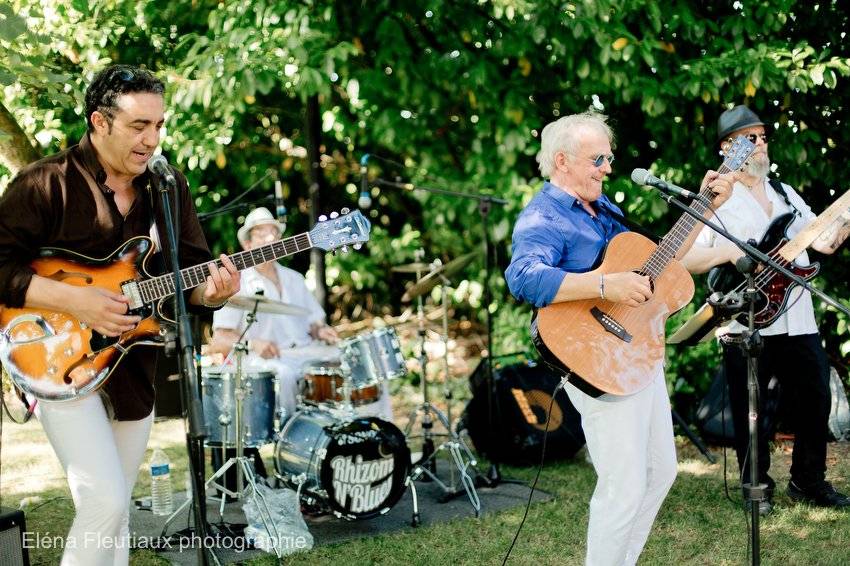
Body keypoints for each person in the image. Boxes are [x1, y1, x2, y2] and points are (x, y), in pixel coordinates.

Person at [0, 64, 240, 565]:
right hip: (56, 358)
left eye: (158, 126)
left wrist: (211, 296)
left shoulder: (168, 186)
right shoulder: (45, 183)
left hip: (134, 363)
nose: (152, 139)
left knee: (118, 513)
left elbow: (188, 274)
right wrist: (75, 300)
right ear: (99, 123)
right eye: (138, 126)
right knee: (103, 501)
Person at [505, 111, 734, 566]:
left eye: (609, 157)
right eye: (598, 159)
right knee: (623, 484)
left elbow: (657, 262)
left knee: (661, 472)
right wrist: (605, 286)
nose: (608, 167)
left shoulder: (604, 209)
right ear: (562, 161)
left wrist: (707, 207)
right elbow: (523, 277)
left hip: (636, 352)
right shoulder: (545, 215)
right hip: (594, 357)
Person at [680, 104, 850, 514]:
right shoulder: (714, 199)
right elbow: (687, 259)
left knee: (814, 400)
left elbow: (822, 242)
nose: (760, 145)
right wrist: (734, 251)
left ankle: (808, 482)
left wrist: (844, 220)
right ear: (727, 148)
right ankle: (755, 487)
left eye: (762, 137)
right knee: (751, 412)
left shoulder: (785, 194)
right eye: (749, 139)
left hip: (797, 314)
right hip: (747, 319)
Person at [208, 207, 394, 422]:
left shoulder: (294, 278)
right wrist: (252, 343)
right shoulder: (237, 284)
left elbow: (313, 323)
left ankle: (381, 432)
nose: (270, 237)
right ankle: (290, 436)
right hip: (262, 360)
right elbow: (219, 340)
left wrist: (321, 330)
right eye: (261, 233)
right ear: (247, 244)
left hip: (305, 352)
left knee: (363, 363)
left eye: (274, 233)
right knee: (285, 375)